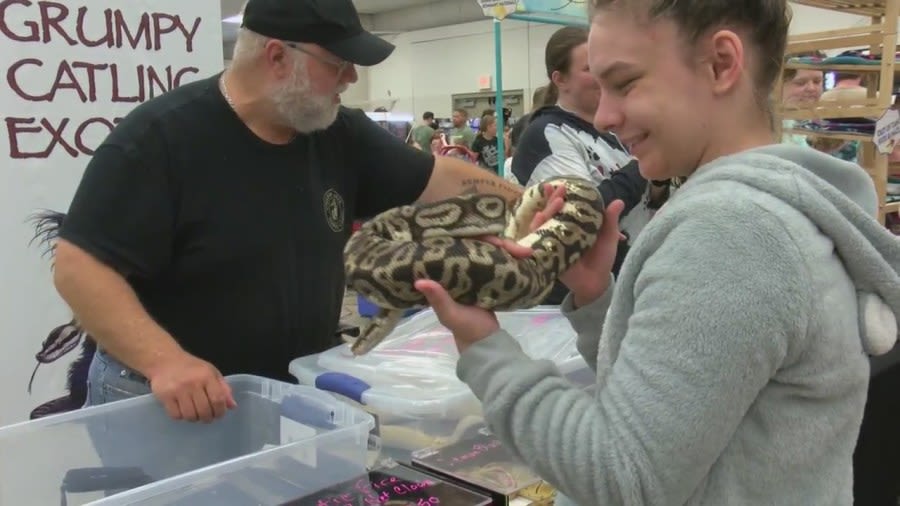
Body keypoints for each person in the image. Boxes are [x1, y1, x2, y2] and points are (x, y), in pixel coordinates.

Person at [415, 1, 900, 505]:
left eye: (624, 83)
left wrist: (484, 344)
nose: (604, 115)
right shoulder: (774, 209)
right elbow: (685, 410)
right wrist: (597, 297)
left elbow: (624, 479)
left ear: (720, 64)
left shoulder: (732, 231)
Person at [50, 0, 524, 424]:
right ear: (277, 57)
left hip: (285, 390)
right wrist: (165, 361)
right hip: (166, 399)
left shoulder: (337, 133)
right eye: (339, 63)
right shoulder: (159, 140)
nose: (352, 78)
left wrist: (531, 208)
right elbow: (79, 269)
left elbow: (439, 179)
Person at [512, 25, 665, 303]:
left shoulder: (611, 132)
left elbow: (640, 199)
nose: (601, 77)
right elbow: (581, 213)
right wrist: (644, 161)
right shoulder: (547, 133)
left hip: (630, 278)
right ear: (560, 79)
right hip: (577, 298)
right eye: (589, 69)